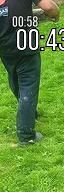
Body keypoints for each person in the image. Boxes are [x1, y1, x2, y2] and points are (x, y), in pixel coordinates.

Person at [0, 0, 60, 145]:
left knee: (14, 77)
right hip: (25, 46)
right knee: (28, 85)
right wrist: (56, 15)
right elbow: (49, 7)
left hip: (5, 48)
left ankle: (30, 112)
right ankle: (26, 136)